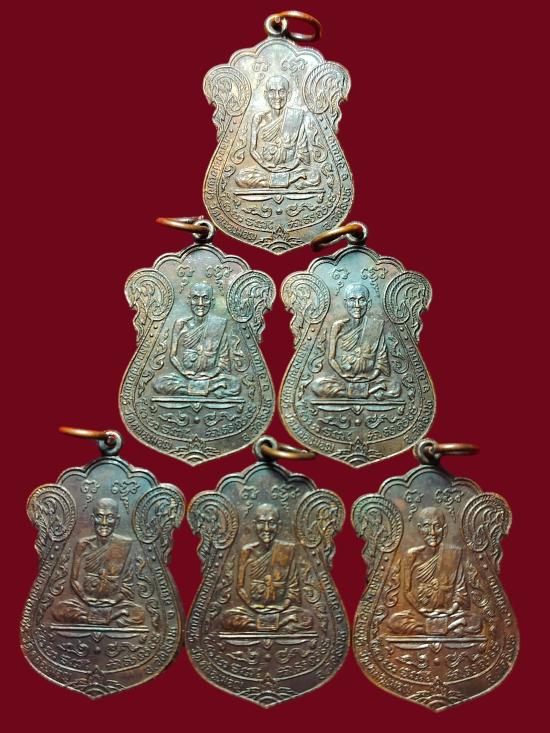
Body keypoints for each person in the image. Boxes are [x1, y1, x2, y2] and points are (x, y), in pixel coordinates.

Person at [387, 507, 482, 636]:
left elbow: (461, 592)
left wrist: (450, 611)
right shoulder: (412, 555)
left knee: (476, 621)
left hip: (448, 614)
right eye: (426, 526)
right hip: (420, 614)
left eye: (437, 526)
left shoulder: (453, 554)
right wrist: (422, 610)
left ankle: (435, 628)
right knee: (394, 621)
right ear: (420, 529)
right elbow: (407, 591)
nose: (432, 532)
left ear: (444, 530)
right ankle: (445, 629)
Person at [52, 498, 145, 627]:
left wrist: (113, 601)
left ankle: (99, 618)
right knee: (59, 609)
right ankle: (99, 619)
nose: (104, 523)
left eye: (110, 517)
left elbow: (127, 585)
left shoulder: (125, 545)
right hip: (85, 603)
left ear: (117, 521)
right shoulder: (83, 545)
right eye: (99, 517)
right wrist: (86, 599)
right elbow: (74, 580)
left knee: (139, 613)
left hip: (114, 604)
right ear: (92, 519)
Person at [222, 503, 313, 632]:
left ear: (279, 526)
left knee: (306, 618)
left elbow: (294, 588)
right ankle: (276, 625)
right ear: (254, 524)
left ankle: (264, 625)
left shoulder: (288, 550)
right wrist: (252, 605)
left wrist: (282, 606)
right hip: (252, 610)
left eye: (271, 523)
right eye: (261, 523)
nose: (266, 529)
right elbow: (240, 587)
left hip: (282, 610)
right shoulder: (247, 551)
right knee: (228, 618)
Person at [153, 282, 240, 398]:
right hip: (186, 378)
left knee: (235, 384)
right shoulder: (181, 324)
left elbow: (224, 361)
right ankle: (207, 390)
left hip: (210, 378)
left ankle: (194, 390)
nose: (200, 303)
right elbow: (172, 355)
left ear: (212, 302)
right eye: (195, 298)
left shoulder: (218, 325)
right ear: (189, 300)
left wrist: (212, 373)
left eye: (205, 298)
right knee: (159, 383)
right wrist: (183, 371)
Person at [311, 283, 398, 399]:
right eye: (352, 300)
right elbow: (331, 358)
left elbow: (381, 360)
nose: (357, 305)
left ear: (368, 303)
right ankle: (368, 392)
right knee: (317, 386)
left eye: (362, 300)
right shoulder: (338, 326)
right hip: (343, 379)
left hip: (369, 379)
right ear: (346, 303)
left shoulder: (375, 326)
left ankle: (355, 393)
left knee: (396, 386)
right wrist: (343, 374)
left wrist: (371, 376)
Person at [235, 75, 321, 190]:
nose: (277, 97)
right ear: (266, 95)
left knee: (315, 176)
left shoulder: (296, 117)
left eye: (281, 91)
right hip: (265, 170)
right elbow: (252, 150)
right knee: (241, 177)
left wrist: (288, 166)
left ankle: (275, 181)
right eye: (272, 91)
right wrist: (265, 164)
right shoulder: (259, 118)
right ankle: (286, 181)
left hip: (290, 169)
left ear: (288, 95)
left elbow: (302, 154)